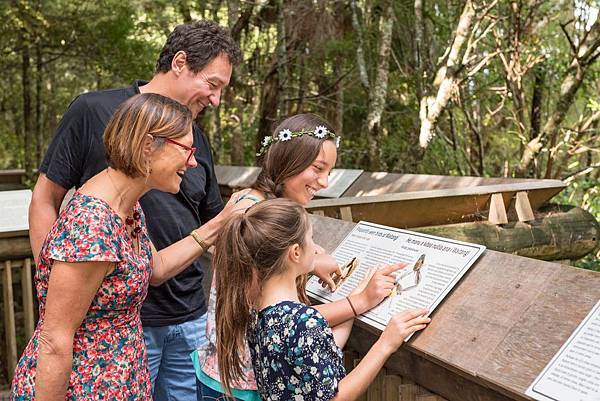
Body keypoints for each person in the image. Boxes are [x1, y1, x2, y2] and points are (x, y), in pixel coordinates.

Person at [27, 20, 242, 399]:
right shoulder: (92, 225)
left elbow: (156, 267)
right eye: (213, 84)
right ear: (147, 146)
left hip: (144, 348)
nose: (193, 162)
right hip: (89, 373)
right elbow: (56, 341)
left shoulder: (128, 210)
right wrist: (58, 283)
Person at [193, 113, 405, 401]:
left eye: (330, 171)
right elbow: (269, 317)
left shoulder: (266, 207)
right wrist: (358, 303)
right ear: (289, 159)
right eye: (318, 168)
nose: (325, 182)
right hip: (238, 384)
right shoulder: (252, 212)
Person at [214, 198, 431, 401]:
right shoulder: (302, 321)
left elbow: (318, 355)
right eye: (310, 238)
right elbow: (335, 397)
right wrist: (385, 344)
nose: (316, 246)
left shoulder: (259, 311)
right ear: (296, 253)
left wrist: (356, 298)